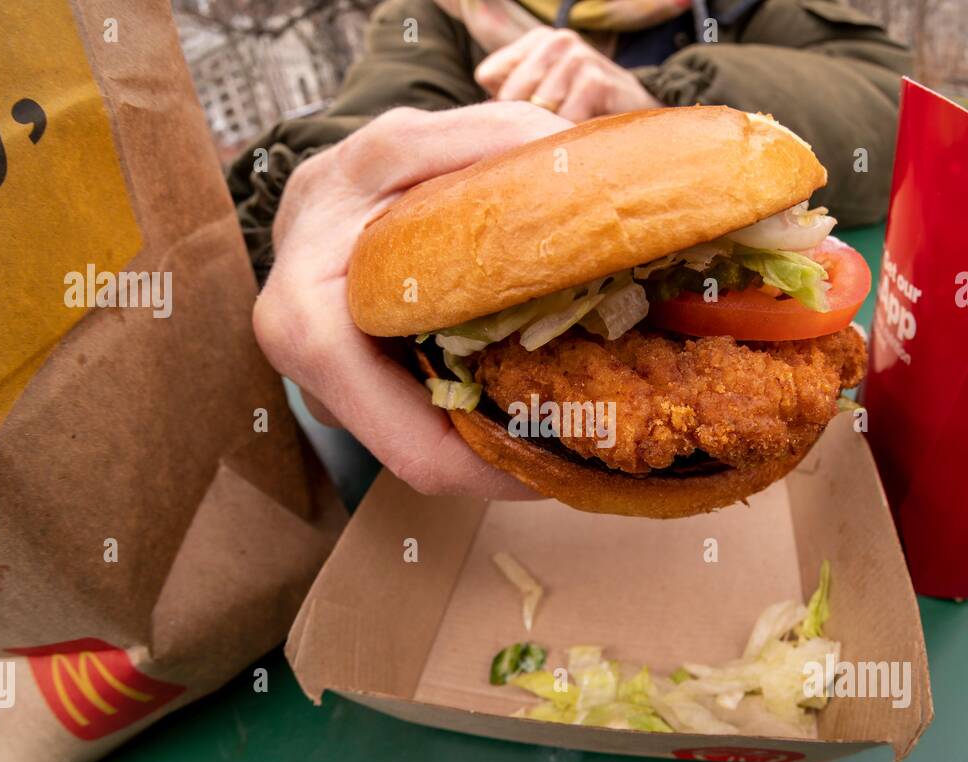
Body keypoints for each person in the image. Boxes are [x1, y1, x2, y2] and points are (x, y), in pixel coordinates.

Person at [228, 0, 909, 501]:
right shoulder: (436, 17)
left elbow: (897, 107)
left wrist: (657, 101)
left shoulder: (748, 10)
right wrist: (308, 185)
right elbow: (373, 118)